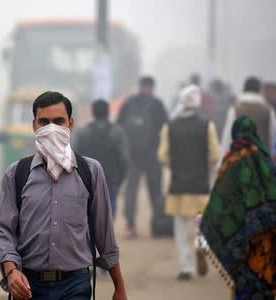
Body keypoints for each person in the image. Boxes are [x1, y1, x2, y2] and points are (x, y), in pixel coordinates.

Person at [0, 91, 128, 300]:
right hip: (28, 287)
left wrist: (119, 288)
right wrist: (11, 272)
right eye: (44, 122)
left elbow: (105, 235)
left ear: (71, 124)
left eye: (59, 121)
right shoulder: (16, 174)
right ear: (34, 126)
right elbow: (4, 230)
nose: (52, 128)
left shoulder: (90, 171)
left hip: (75, 285)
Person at [200, 116, 276, 299]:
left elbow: (218, 203)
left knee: (243, 281)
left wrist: (208, 224)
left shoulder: (231, 162)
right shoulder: (266, 161)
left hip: (239, 238)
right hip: (264, 237)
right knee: (264, 277)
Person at [158, 85, 220, 281]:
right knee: (200, 223)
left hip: (178, 185)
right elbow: (215, 155)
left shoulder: (170, 126)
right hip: (200, 184)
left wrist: (174, 165)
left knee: (180, 226)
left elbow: (162, 156)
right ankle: (201, 246)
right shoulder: (207, 125)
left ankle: (186, 266)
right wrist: (205, 167)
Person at [117, 76, 169, 238]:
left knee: (131, 190)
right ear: (152, 87)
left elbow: (119, 126)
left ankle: (130, 226)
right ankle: (157, 225)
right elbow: (166, 127)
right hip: (152, 153)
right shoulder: (157, 104)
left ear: (140, 86)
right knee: (155, 190)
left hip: (132, 155)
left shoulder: (128, 103)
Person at [73, 99, 130, 220]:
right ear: (108, 112)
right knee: (110, 204)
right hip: (110, 176)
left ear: (93, 112)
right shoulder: (118, 132)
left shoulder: (82, 132)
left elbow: (73, 156)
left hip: (87, 177)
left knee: (87, 207)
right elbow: (124, 158)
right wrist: (120, 179)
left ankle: (90, 235)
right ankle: (107, 232)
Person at [221, 76, 276, 158]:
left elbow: (228, 136)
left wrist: (223, 159)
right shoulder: (268, 110)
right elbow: (273, 135)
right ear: (259, 90)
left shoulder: (236, 109)